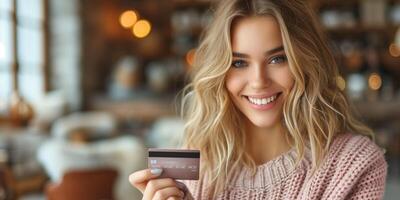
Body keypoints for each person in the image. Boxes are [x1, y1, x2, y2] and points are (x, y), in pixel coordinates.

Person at [129, 0, 388, 199]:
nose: (258, 81)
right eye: (239, 62)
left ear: (305, 62)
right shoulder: (198, 168)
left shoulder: (354, 166)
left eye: (277, 59)